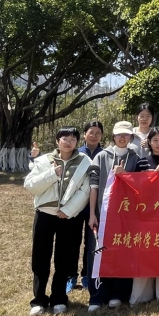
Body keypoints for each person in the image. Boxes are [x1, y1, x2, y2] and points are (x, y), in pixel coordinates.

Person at [23, 126, 92, 316]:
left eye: (72, 139)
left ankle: (59, 298)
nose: (68, 142)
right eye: (64, 138)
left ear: (77, 142)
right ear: (57, 141)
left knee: (65, 258)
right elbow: (30, 185)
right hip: (45, 214)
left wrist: (68, 211)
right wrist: (52, 174)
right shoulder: (44, 161)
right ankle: (38, 299)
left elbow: (85, 190)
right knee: (40, 258)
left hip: (68, 217)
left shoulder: (84, 161)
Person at [87, 121, 142, 312]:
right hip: (102, 214)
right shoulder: (101, 157)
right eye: (119, 135)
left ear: (131, 137)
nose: (122, 138)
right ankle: (97, 295)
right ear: (113, 136)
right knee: (98, 252)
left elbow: (141, 187)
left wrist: (126, 175)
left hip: (126, 216)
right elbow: (93, 185)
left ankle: (119, 293)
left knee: (122, 250)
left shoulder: (136, 158)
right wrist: (92, 213)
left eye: (126, 135)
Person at [130, 125, 159, 307]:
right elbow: (133, 188)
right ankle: (141, 294)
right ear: (149, 142)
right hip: (146, 213)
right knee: (145, 251)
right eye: (155, 140)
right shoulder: (141, 162)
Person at [66, 120, 105, 294]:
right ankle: (70, 276)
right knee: (72, 242)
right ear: (84, 134)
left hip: (95, 207)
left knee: (91, 243)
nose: (94, 136)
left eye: (98, 133)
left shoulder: (104, 154)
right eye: (91, 132)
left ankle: (87, 275)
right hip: (76, 205)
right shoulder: (76, 153)